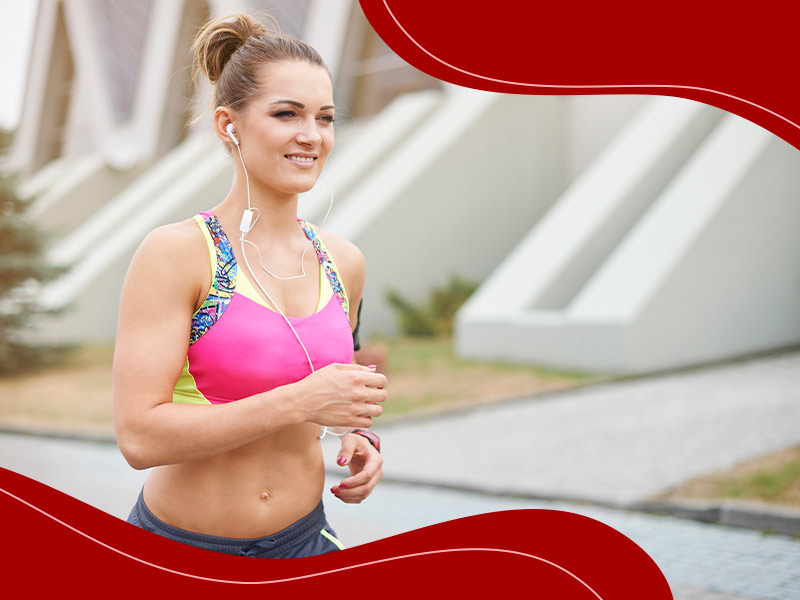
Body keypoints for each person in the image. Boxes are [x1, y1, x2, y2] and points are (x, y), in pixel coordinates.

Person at [113, 13, 387, 559]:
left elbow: (335, 385)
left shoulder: (344, 262)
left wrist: (361, 437)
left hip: (307, 543)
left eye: (325, 117)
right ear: (227, 125)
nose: (311, 135)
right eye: (287, 114)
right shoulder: (178, 254)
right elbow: (140, 438)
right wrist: (300, 402)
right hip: (184, 551)